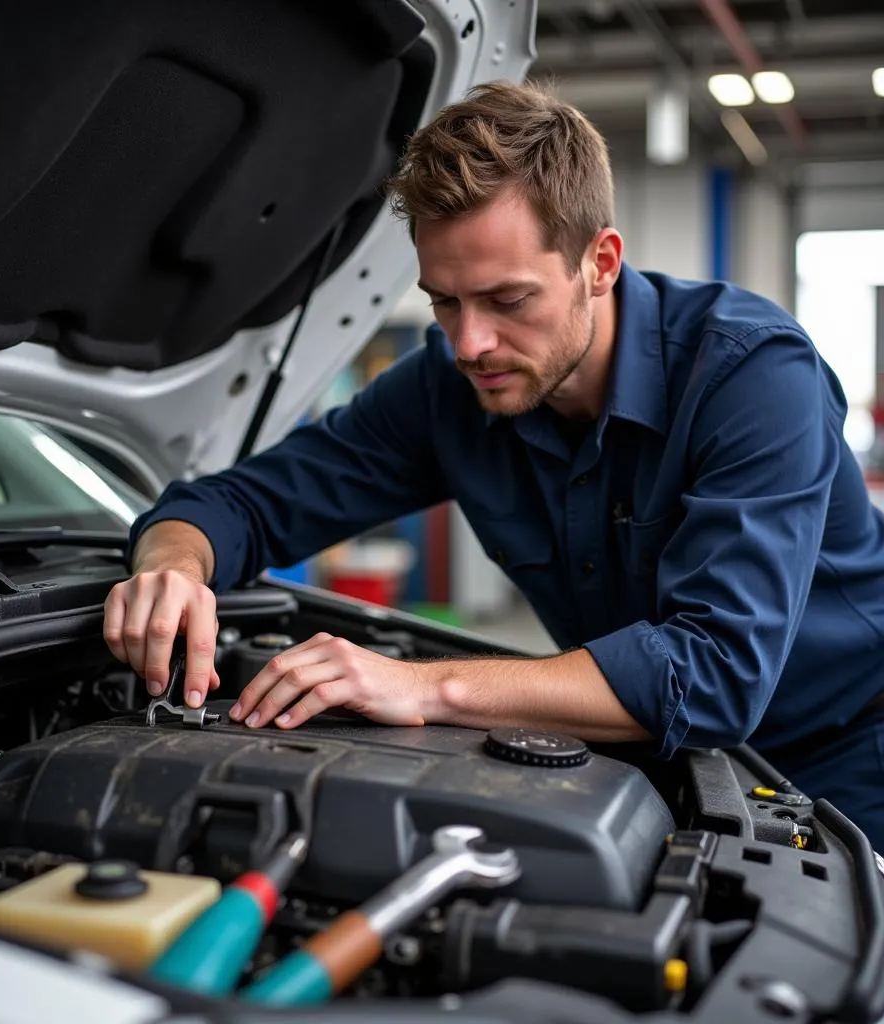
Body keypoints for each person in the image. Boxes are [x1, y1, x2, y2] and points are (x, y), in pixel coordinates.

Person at [103, 80, 884, 848]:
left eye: (507, 300)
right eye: (444, 301)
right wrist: (173, 565)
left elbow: (713, 672)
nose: (469, 343)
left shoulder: (752, 375)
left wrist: (419, 685)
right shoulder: (448, 392)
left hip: (849, 760)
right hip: (657, 760)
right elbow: (246, 504)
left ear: (600, 263)